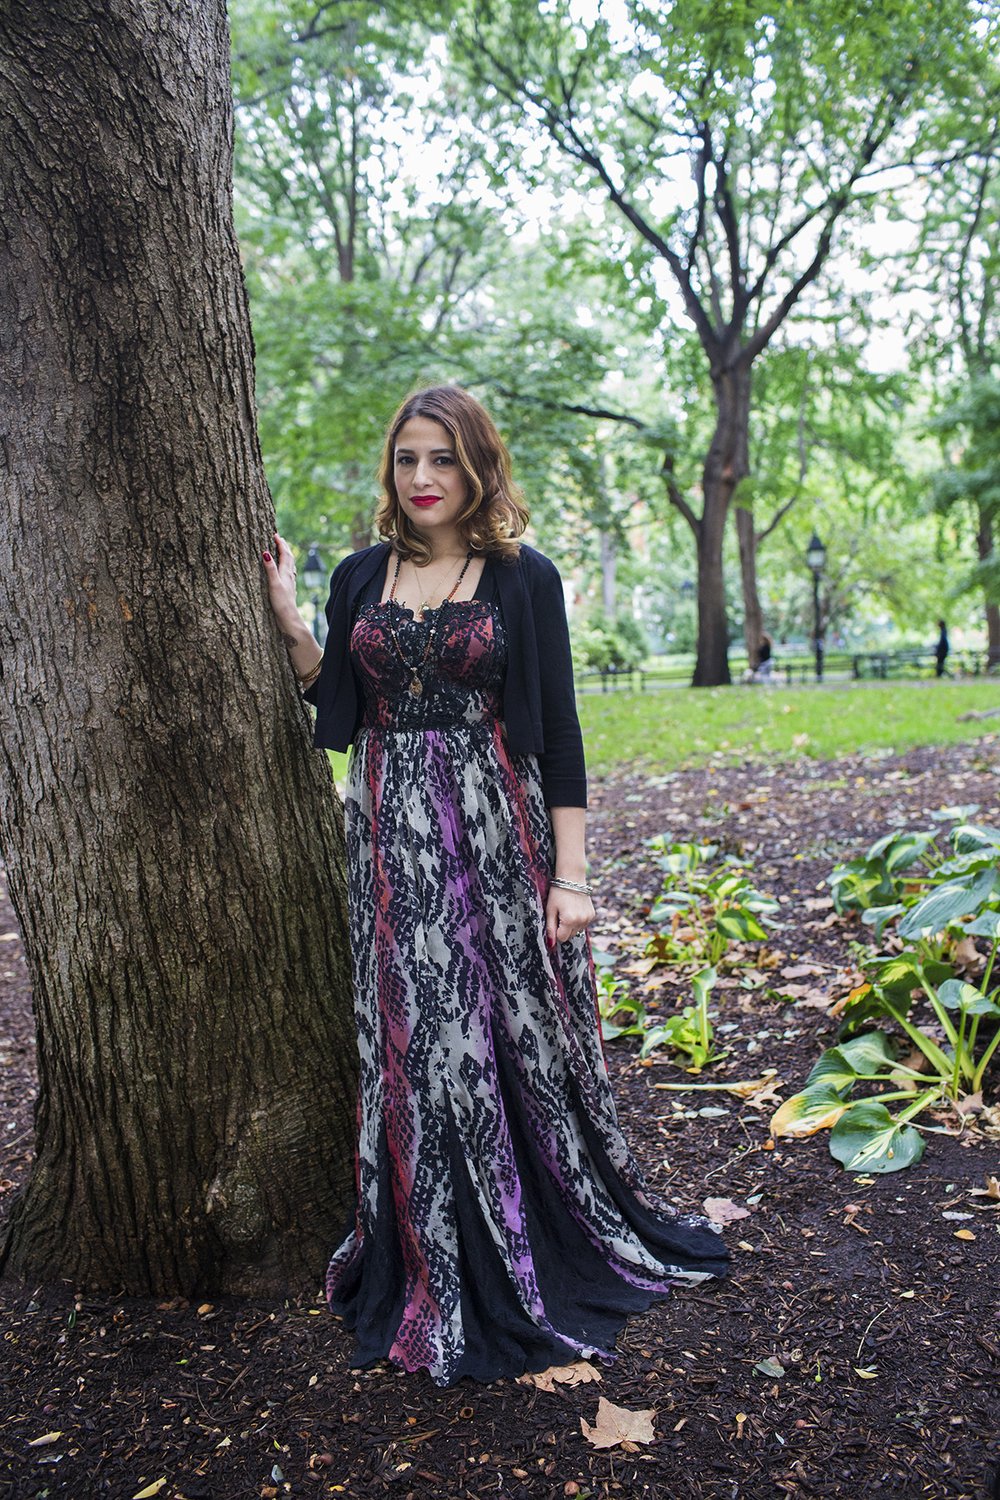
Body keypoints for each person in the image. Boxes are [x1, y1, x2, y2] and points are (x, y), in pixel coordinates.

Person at [261, 386, 728, 1387]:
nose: (422, 479)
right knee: (418, 1042)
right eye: (406, 460)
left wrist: (573, 877)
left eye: (443, 460)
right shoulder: (359, 575)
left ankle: (531, 1238)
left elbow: (557, 732)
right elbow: (333, 695)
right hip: (390, 838)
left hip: (497, 832)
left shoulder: (522, 576)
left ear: (477, 468)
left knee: (507, 1032)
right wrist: (292, 616)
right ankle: (432, 1248)